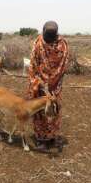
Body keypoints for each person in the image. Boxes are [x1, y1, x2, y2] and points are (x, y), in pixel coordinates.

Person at [28, 21, 69, 151]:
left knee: (49, 110)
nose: (49, 39)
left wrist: (41, 82)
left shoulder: (59, 45)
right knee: (45, 111)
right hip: (46, 86)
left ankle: (47, 139)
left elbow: (61, 67)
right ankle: (45, 138)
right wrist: (42, 83)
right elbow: (34, 66)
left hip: (48, 85)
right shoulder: (41, 44)